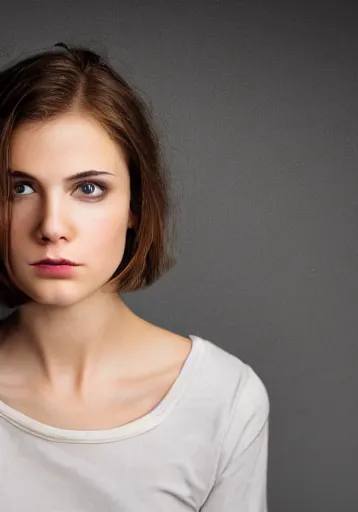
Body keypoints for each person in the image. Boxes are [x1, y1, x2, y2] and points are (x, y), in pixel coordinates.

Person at [0, 43, 269, 511]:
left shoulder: (222, 400)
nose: (51, 227)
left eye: (88, 188)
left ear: (135, 205)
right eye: (20, 188)